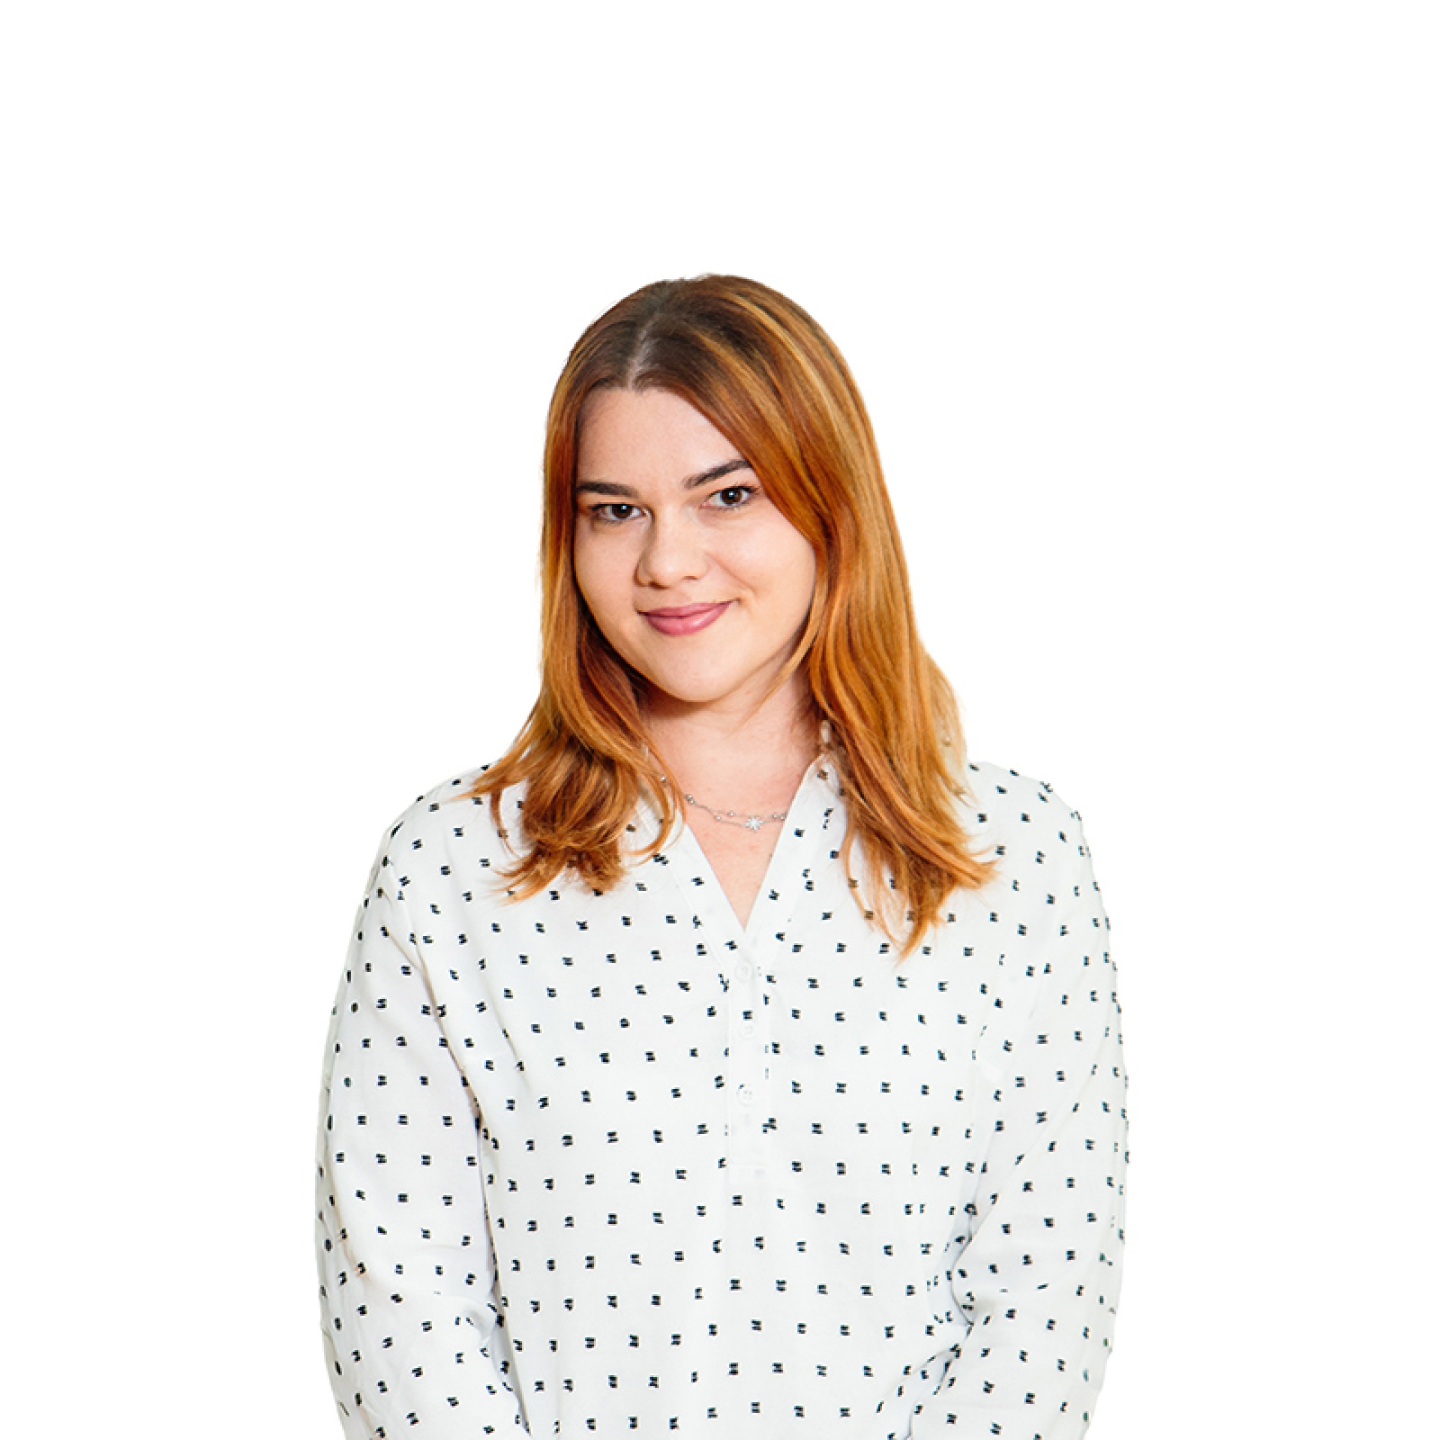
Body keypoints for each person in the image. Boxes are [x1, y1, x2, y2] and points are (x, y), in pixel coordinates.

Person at [315, 275, 1127, 1439]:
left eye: (727, 496)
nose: (668, 561)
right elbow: (401, 1313)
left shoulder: (1015, 857)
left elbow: (1044, 1305)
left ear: (830, 503)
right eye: (615, 510)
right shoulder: (451, 869)